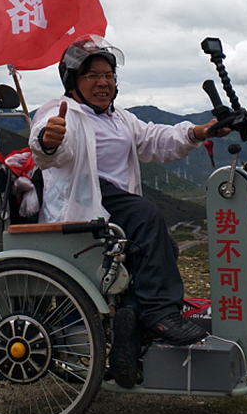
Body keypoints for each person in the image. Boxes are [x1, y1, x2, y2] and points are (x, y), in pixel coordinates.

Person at [29, 35, 226, 385]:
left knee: (163, 245)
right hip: (86, 202)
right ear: (72, 81)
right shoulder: (62, 111)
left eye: (108, 75)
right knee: (147, 215)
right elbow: (49, 148)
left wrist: (197, 132)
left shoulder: (118, 118)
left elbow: (154, 140)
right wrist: (49, 140)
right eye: (92, 75)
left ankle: (129, 334)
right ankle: (160, 313)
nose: (103, 82)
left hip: (112, 205)